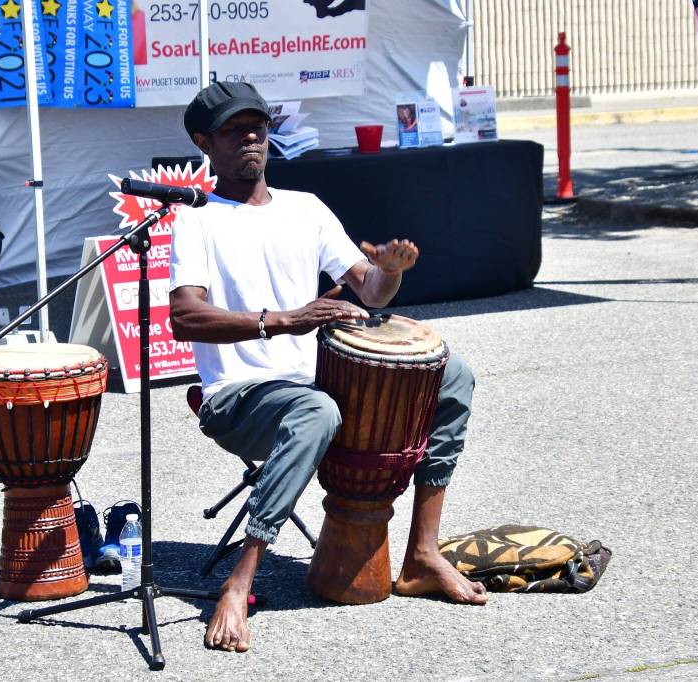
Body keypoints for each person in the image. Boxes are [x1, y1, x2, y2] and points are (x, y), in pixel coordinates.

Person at [168, 82, 487, 653]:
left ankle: (422, 553)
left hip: (316, 386)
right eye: (233, 130)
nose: (250, 137)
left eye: (257, 126)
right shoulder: (196, 221)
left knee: (451, 373)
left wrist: (389, 270)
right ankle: (240, 581)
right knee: (315, 411)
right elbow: (186, 318)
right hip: (239, 396)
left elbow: (371, 289)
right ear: (203, 143)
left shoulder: (305, 208)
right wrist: (284, 320)